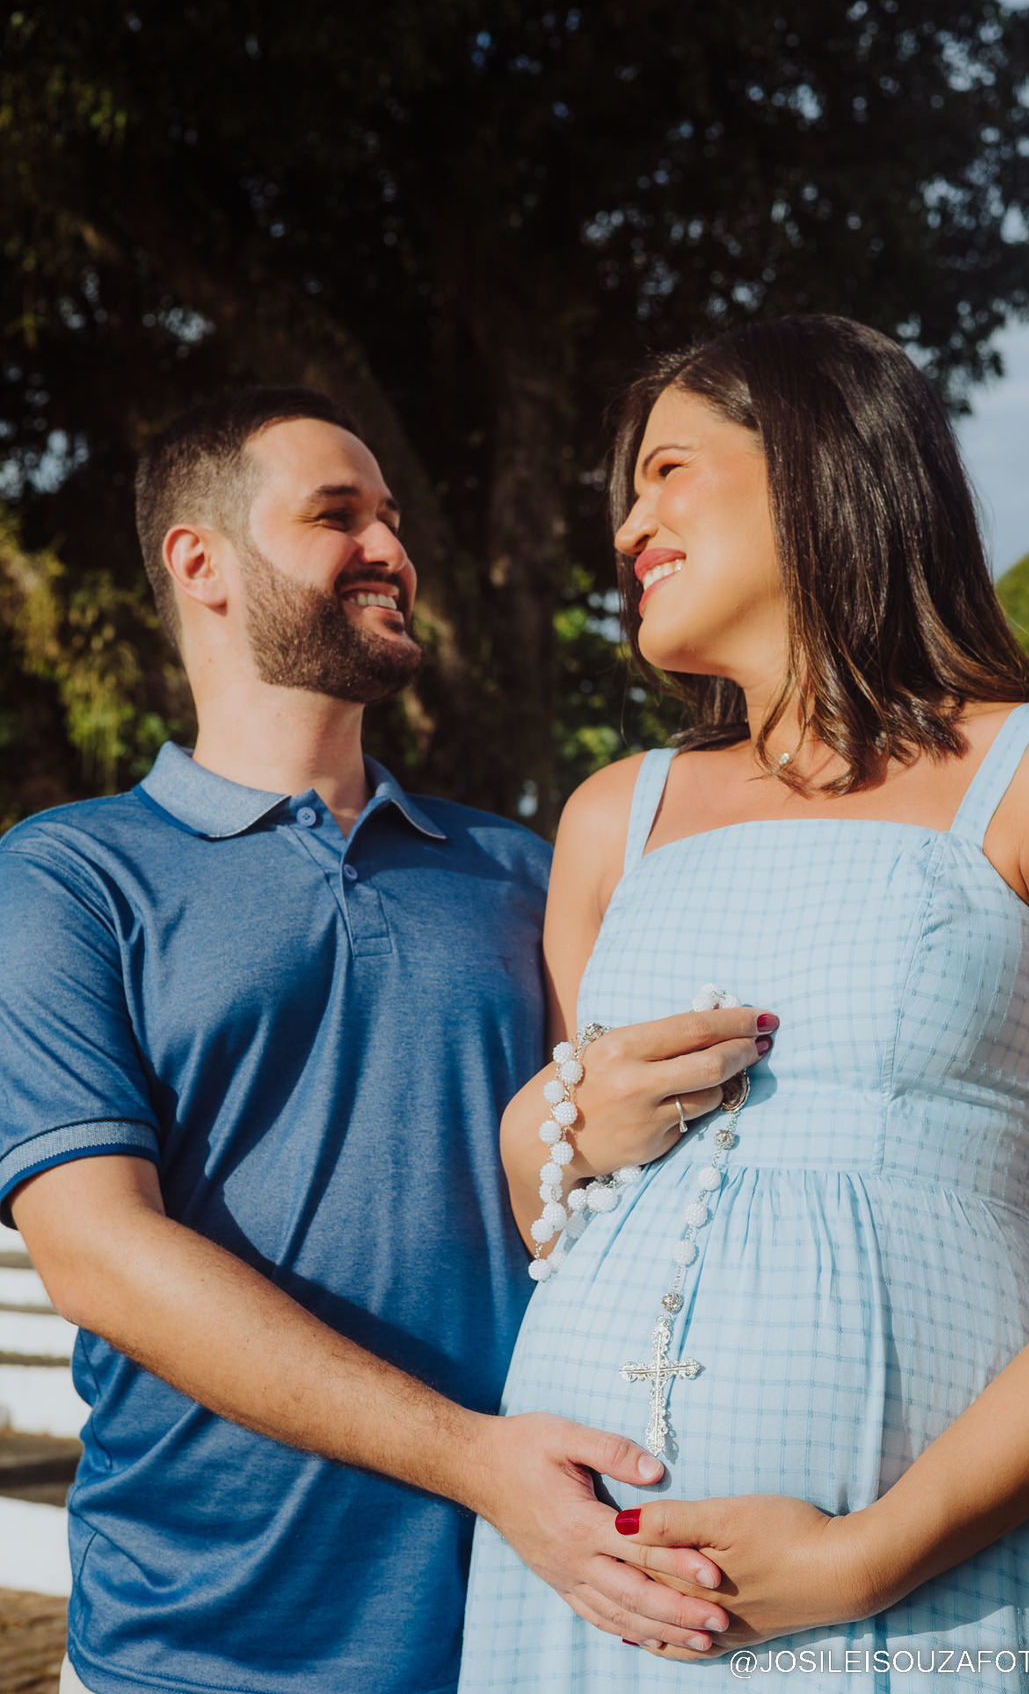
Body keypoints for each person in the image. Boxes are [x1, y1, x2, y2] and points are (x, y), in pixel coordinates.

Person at [458, 314, 1029, 1690]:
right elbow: (561, 1222)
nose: (628, 526)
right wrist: (538, 1137)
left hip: (924, 1580)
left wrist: (864, 1558)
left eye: (669, 470)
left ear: (820, 461)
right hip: (588, 1574)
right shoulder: (613, 816)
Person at [0, 387, 770, 1694]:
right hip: (186, 1651)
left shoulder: (522, 871)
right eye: (337, 514)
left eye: (394, 519)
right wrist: (476, 1459)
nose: (391, 550)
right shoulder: (69, 878)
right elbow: (100, 1256)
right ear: (200, 562)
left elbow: (641, 1153)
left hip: (514, 1631)